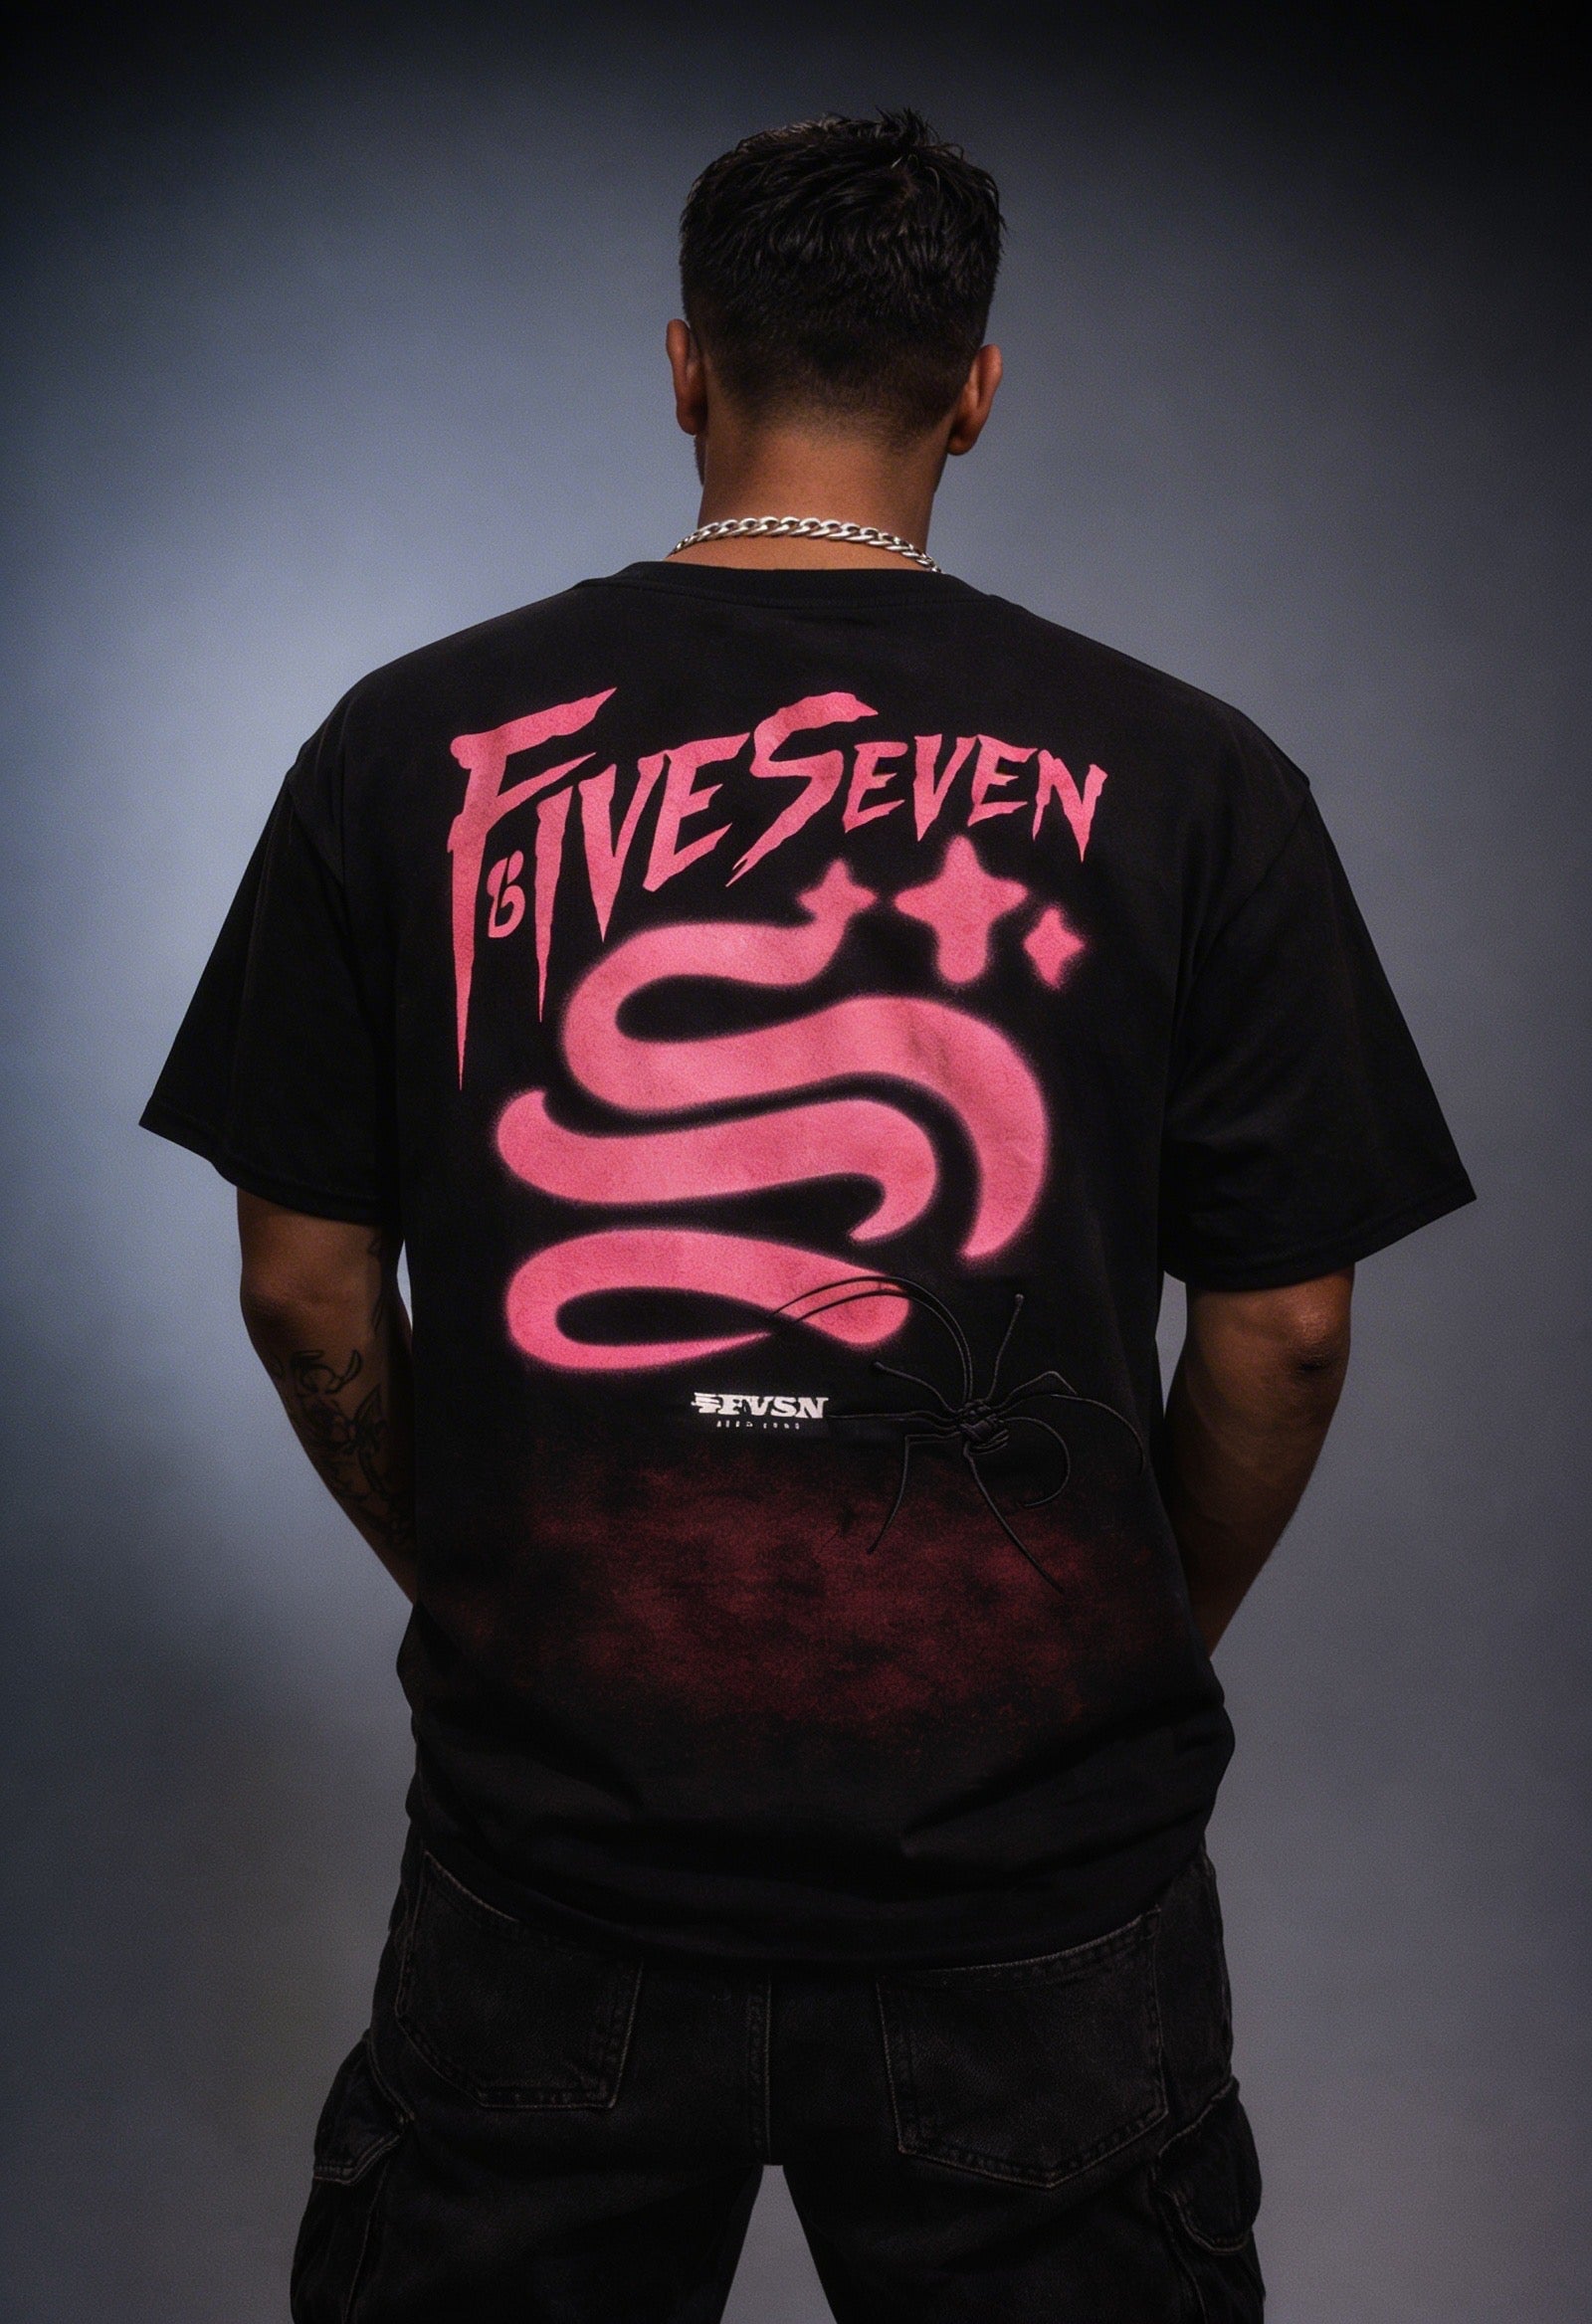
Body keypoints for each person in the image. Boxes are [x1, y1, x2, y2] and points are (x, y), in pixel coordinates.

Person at [142, 108, 1474, 2324]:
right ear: (977, 389)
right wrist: (1105, 1628)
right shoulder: (1197, 776)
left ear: (685, 367)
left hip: (553, 1868)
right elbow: (1286, 1332)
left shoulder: (403, 745)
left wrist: (496, 1578)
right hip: (1034, 1897)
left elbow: (303, 1291)